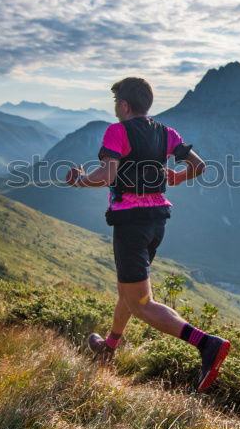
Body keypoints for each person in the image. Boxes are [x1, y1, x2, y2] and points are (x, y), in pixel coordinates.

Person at [65, 77, 230, 391]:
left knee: (141, 302)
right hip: (157, 221)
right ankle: (109, 348)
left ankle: (206, 344)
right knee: (129, 292)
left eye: (117, 104)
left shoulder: (117, 131)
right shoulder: (167, 133)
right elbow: (199, 166)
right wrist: (177, 179)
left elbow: (108, 174)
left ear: (124, 105)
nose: (115, 110)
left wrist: (82, 180)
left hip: (131, 224)